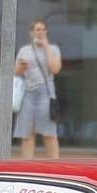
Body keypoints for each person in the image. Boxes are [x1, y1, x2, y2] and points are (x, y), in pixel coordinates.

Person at [13, 20, 62, 159]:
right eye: (37, 29)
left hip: (46, 94)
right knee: (27, 133)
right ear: (31, 32)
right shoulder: (24, 50)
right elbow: (16, 72)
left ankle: (55, 165)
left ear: (46, 32)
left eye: (43, 29)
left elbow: (55, 69)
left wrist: (46, 46)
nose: (40, 32)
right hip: (28, 93)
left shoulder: (53, 49)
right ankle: (27, 166)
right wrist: (23, 66)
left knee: (49, 132)